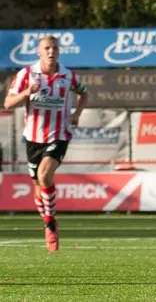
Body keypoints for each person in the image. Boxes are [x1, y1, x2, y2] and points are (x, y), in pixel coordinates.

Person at [3, 35, 88, 252]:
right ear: (39, 52)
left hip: (59, 134)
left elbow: (83, 94)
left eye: (55, 48)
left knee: (44, 175)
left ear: (59, 52)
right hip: (33, 138)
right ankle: (48, 220)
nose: (51, 51)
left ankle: (50, 222)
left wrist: (76, 113)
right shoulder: (27, 74)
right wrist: (26, 92)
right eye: (47, 48)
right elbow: (8, 102)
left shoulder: (68, 76)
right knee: (38, 187)